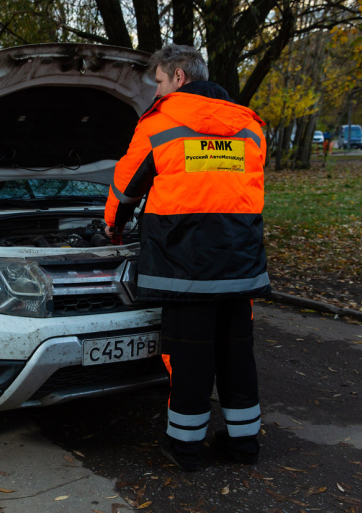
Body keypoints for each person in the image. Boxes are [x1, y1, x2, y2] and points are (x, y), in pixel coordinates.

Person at [104, 44, 270, 471]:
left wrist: (113, 224)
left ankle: (185, 450)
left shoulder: (161, 123)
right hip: (240, 264)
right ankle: (244, 446)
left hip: (185, 266)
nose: (157, 91)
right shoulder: (250, 126)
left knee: (190, 358)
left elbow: (127, 188)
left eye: (159, 81)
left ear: (179, 77)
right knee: (237, 356)